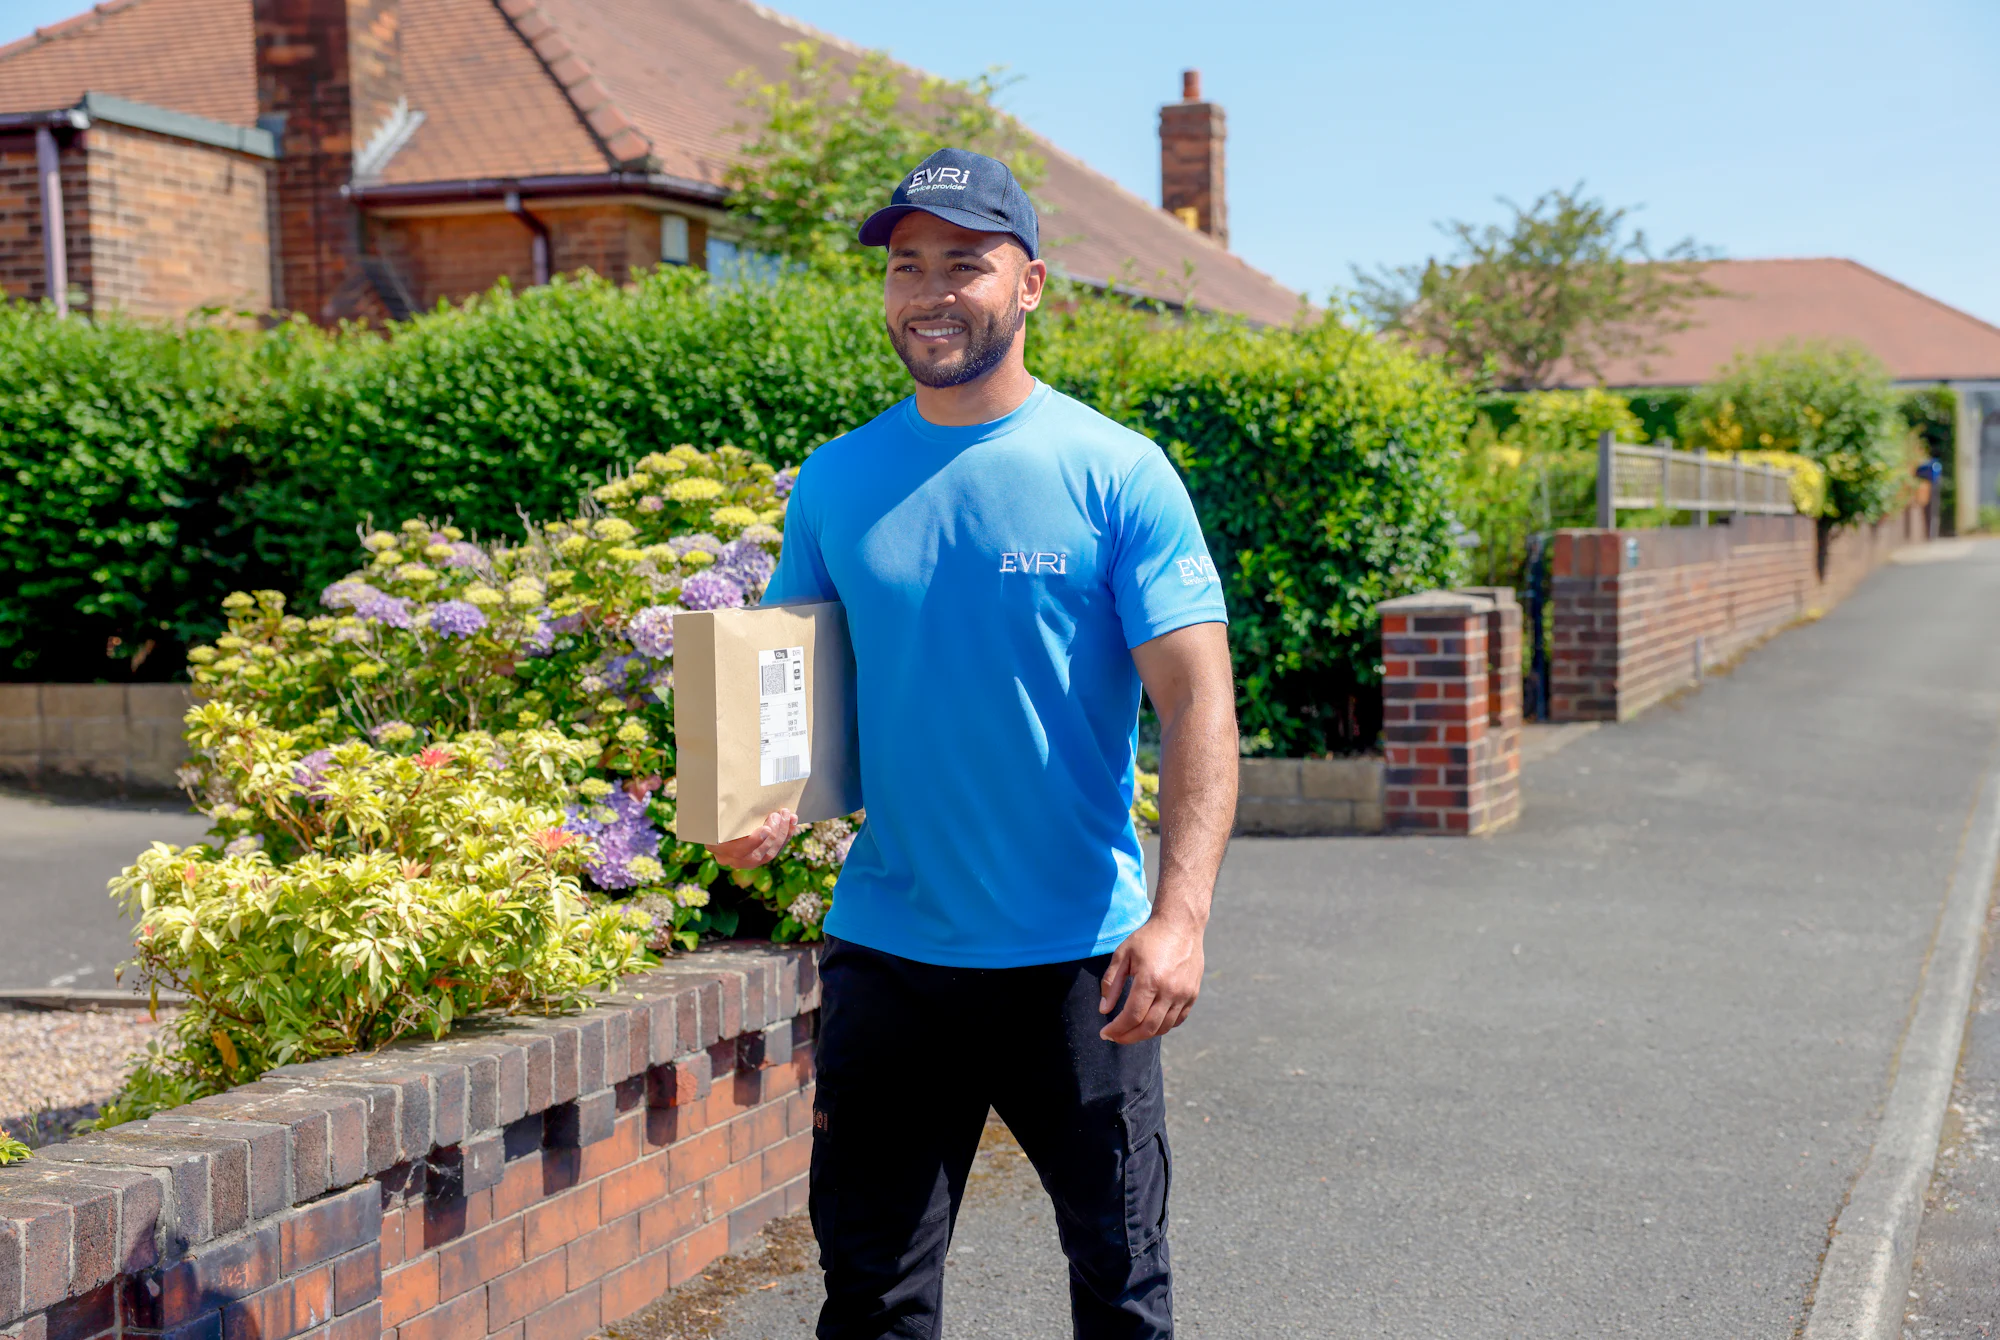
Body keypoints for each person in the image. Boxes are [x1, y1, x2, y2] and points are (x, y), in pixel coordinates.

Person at [707, 146, 1239, 1340]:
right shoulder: (837, 478)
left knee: (1122, 1286)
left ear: (1030, 284)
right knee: (871, 1298)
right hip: (889, 953)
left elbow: (1197, 700)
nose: (929, 291)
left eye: (964, 263)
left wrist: (1180, 915)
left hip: (1081, 962)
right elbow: (785, 676)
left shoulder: (1116, 471)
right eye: (907, 265)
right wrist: (750, 798)